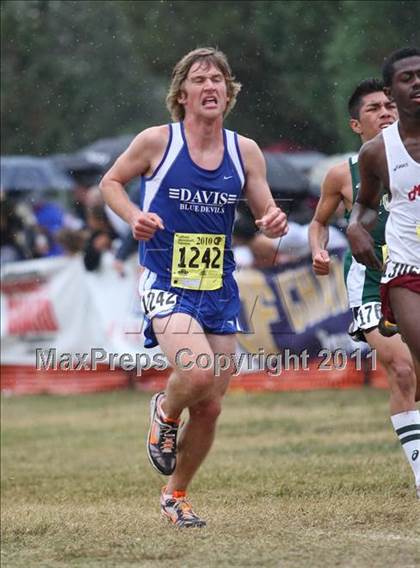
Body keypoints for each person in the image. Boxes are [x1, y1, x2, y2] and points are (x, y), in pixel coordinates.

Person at [100, 47, 288, 527]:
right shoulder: (156, 142)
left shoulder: (244, 150)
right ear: (181, 93)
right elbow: (111, 183)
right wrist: (134, 217)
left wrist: (272, 226)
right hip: (166, 278)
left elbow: (266, 216)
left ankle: (175, 494)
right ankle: (164, 410)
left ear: (229, 93)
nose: (211, 86)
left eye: (219, 79)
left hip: (218, 284)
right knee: (198, 374)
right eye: (200, 79)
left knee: (211, 407)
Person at [309, 76, 420, 498]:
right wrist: (318, 250)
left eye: (390, 105)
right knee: (403, 369)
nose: (386, 112)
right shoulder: (343, 174)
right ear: (357, 125)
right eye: (374, 108)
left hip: (415, 274)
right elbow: (319, 223)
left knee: (414, 376)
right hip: (373, 282)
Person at [347, 47, 420, 498]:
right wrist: (355, 227)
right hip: (407, 270)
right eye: (408, 78)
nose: (417, 84)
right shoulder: (377, 153)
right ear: (393, 89)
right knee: (409, 363)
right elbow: (366, 206)